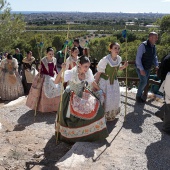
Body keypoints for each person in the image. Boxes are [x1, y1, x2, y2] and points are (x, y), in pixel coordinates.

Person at [54, 55, 108, 143]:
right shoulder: (71, 73)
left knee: (96, 108)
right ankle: (72, 137)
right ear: (79, 64)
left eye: (88, 66)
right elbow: (56, 82)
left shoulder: (88, 72)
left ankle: (90, 134)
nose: (87, 69)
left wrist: (100, 90)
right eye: (85, 66)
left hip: (82, 94)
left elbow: (92, 82)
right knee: (73, 117)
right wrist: (62, 70)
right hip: (71, 96)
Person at [95, 42, 128, 121]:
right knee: (105, 99)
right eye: (115, 48)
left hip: (114, 82)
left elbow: (117, 69)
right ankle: (102, 116)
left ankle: (111, 115)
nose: (117, 50)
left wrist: (124, 66)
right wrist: (95, 84)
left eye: (118, 48)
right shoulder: (105, 60)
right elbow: (99, 72)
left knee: (114, 98)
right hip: (105, 82)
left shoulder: (119, 58)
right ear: (110, 49)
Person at [26, 47, 61, 113]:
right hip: (45, 77)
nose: (51, 55)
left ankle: (55, 107)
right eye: (50, 54)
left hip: (53, 76)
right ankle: (46, 108)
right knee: (45, 92)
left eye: (52, 54)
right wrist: (39, 68)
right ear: (46, 53)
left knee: (57, 89)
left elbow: (55, 68)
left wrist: (58, 75)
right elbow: (41, 70)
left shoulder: (54, 59)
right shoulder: (43, 60)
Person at [135, 32, 159, 103]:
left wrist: (156, 65)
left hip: (148, 68)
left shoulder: (153, 46)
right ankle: (138, 97)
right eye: (156, 37)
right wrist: (141, 69)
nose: (157, 39)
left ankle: (140, 95)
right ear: (150, 38)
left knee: (144, 82)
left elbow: (154, 57)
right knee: (144, 82)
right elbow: (138, 58)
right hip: (141, 68)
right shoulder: (143, 45)